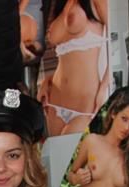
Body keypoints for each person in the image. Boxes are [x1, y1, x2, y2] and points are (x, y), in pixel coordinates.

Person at [39, 0, 109, 136]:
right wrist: (46, 81)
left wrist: (104, 90)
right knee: (57, 150)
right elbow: (66, 59)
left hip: (86, 104)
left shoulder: (96, 2)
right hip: (54, 102)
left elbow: (119, 43)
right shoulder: (60, 4)